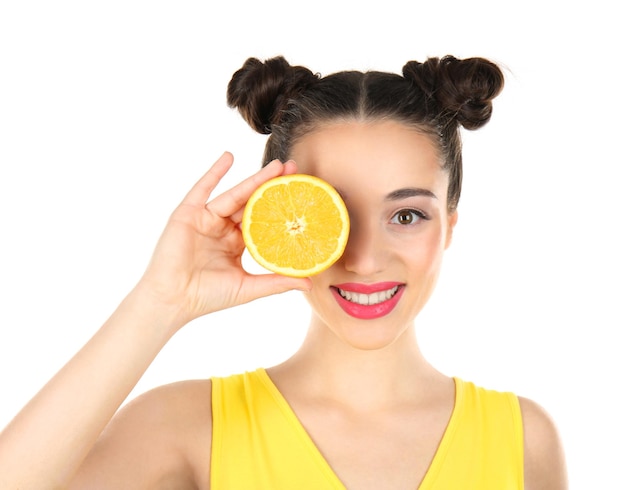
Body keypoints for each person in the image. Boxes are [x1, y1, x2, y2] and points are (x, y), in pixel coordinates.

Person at [0, 55, 567, 489]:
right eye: (334, 211)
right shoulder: (187, 425)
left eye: (407, 214)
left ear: (449, 225)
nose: (364, 258)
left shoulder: (524, 439)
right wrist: (159, 301)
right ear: (280, 217)